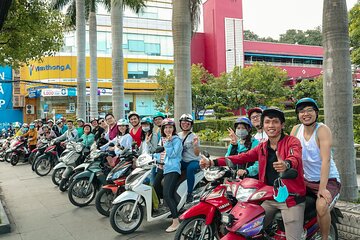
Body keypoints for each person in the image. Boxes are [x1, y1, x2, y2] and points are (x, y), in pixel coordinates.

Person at [200, 107, 306, 240]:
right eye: (267, 122)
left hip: (290, 198)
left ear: (282, 124)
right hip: (269, 196)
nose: (271, 125)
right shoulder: (262, 147)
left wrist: (286, 164)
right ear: (263, 125)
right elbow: (241, 157)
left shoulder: (292, 141)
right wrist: (212, 162)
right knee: (246, 227)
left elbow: (295, 156)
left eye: (275, 122)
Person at [291, 98, 341, 240]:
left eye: (309, 110)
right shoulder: (296, 129)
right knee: (285, 201)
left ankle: (325, 237)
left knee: (321, 206)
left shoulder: (322, 130)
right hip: (306, 179)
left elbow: (326, 160)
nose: (305, 114)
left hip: (328, 179)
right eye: (301, 111)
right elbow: (291, 154)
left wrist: (322, 188)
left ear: (316, 113)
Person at [153, 118, 183, 233]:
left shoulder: (176, 140)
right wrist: (155, 159)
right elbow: (158, 153)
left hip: (173, 168)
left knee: (167, 194)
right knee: (155, 186)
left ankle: (175, 221)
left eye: (170, 127)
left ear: (174, 128)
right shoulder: (162, 139)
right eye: (166, 127)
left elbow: (173, 155)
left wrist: (169, 143)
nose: (168, 129)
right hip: (162, 167)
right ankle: (167, 208)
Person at [177, 114, 201, 203]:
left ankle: (189, 193)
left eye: (188, 123)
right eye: (183, 123)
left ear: (191, 124)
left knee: (190, 169)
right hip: (183, 160)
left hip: (193, 160)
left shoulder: (194, 137)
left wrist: (195, 146)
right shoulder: (178, 135)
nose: (185, 124)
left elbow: (197, 153)